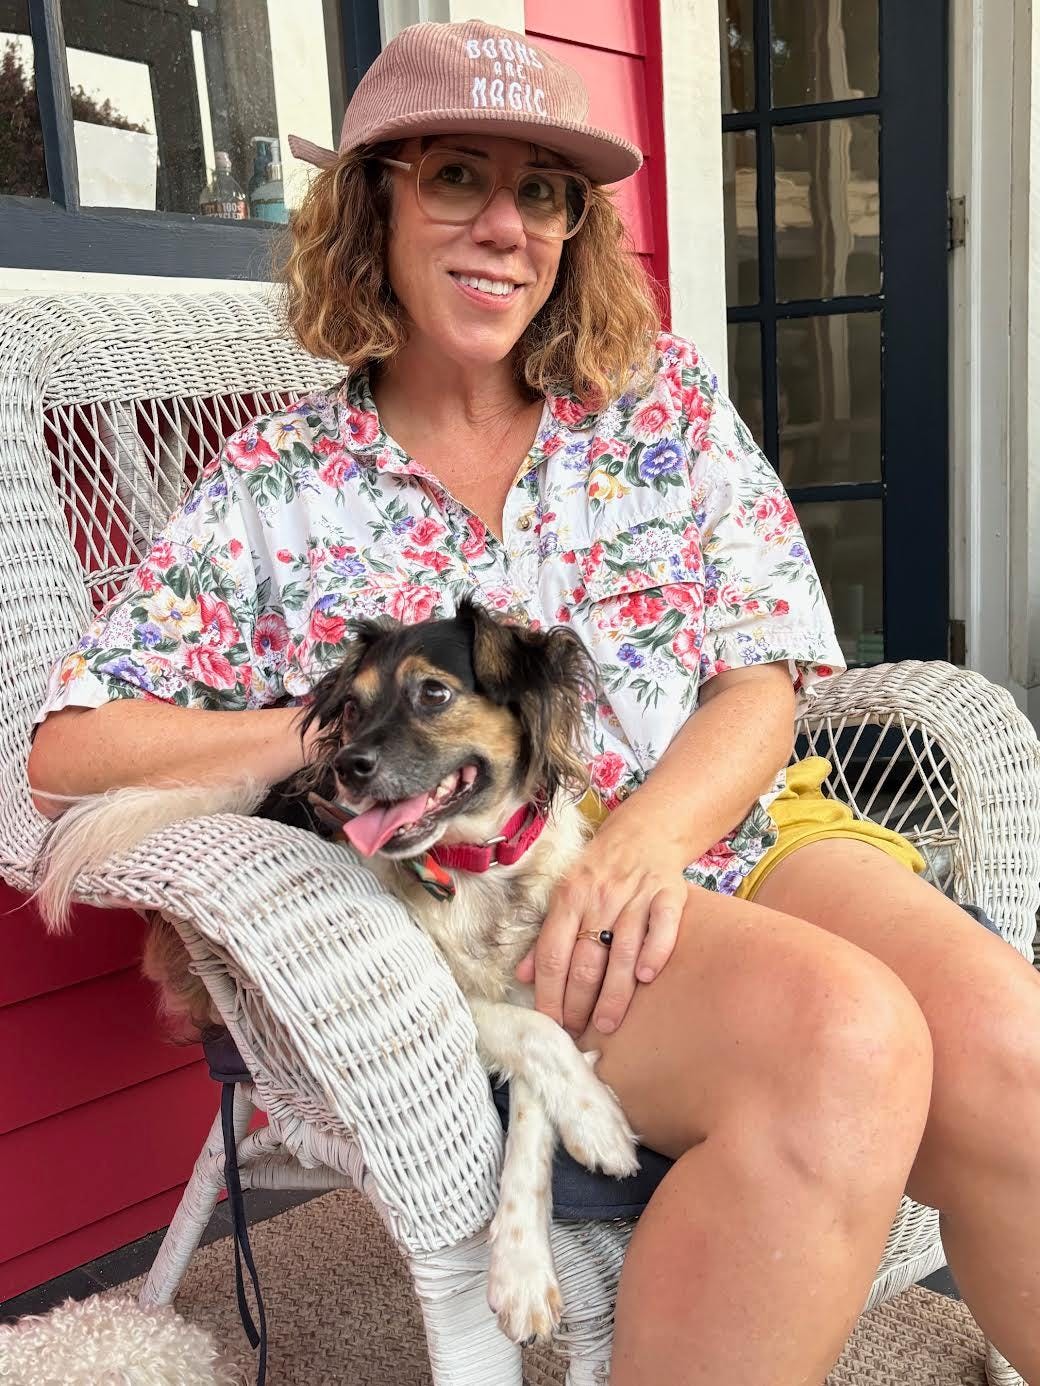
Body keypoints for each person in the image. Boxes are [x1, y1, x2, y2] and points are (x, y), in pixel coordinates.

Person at [27, 20, 1040, 1385]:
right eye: (457, 175)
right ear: (375, 202)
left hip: (715, 835)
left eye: (545, 192)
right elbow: (68, 748)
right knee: (844, 1046)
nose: (504, 224)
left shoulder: (656, 406)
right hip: (510, 911)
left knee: (1011, 1048)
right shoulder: (280, 485)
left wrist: (642, 845)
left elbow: (761, 676)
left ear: (575, 231)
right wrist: (324, 728)